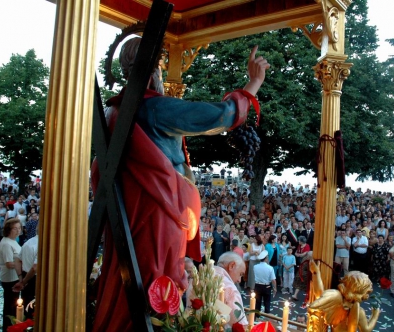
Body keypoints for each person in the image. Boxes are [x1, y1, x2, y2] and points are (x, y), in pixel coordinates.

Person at [91, 38, 270, 331]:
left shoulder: (114, 111)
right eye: (161, 66)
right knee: (156, 281)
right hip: (159, 210)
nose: (162, 74)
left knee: (130, 278)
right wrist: (252, 84)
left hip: (131, 212)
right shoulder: (152, 108)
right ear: (153, 71)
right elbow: (218, 115)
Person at [0, 218, 22, 331]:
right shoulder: (7, 243)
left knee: (12, 305)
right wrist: (23, 264)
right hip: (9, 278)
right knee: (10, 306)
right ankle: (8, 327)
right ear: (8, 230)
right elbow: (9, 264)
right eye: (15, 228)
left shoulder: (13, 240)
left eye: (19, 228)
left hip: (14, 277)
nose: (18, 231)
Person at [214, 252, 248, 328]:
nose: (239, 280)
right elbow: (240, 324)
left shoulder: (200, 276)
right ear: (231, 266)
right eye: (240, 274)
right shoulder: (230, 288)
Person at [12, 226, 38, 319]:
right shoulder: (42, 244)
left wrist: (20, 277)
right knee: (33, 307)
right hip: (34, 279)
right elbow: (35, 268)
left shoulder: (28, 242)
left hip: (25, 275)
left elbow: (17, 260)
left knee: (26, 303)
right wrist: (24, 281)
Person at [253, 250, 277, 316]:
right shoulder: (270, 268)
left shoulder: (255, 267)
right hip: (266, 286)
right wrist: (275, 288)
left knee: (257, 303)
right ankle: (267, 316)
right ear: (266, 258)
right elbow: (273, 280)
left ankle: (256, 316)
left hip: (257, 285)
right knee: (267, 302)